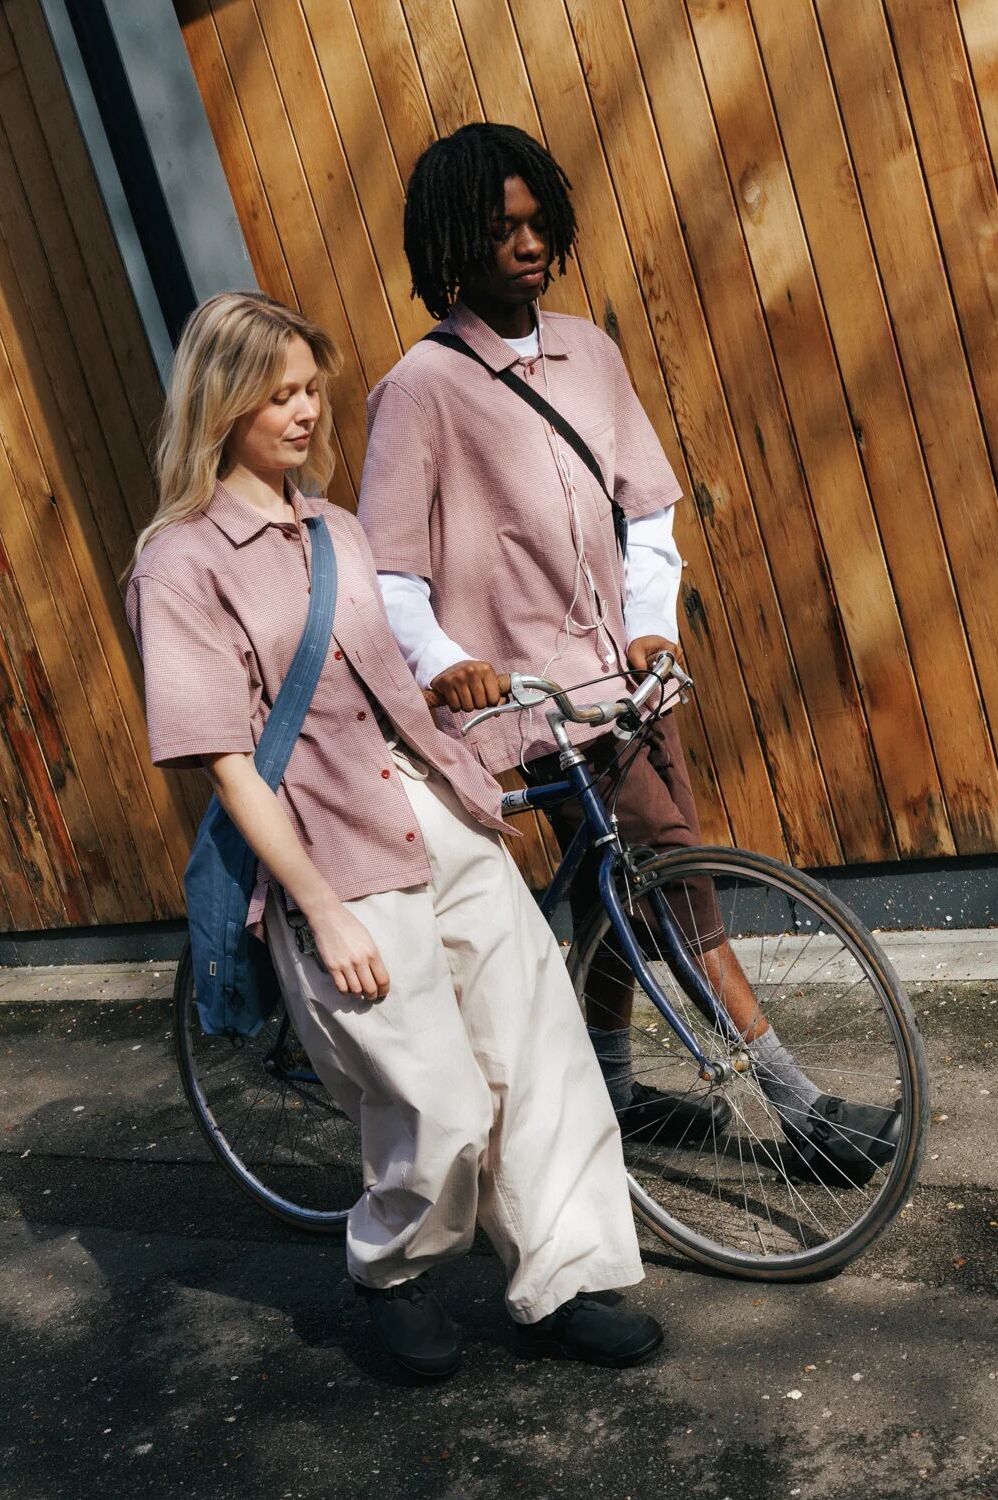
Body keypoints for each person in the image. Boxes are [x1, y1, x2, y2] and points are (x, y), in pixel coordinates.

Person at [125, 291, 663, 1381]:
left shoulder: (338, 531)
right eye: (277, 395)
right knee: (439, 1102)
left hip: (441, 814)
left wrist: (483, 761)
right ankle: (393, 1268)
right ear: (221, 406)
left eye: (310, 390)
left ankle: (562, 1281)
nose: (305, 412)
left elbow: (398, 687)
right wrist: (320, 910)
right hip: (330, 849)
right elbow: (228, 764)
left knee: (540, 1056)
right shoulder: (178, 566)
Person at [359, 124, 900, 1178]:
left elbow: (647, 512)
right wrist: (442, 663)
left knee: (618, 892)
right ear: (453, 244)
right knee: (669, 882)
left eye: (536, 223)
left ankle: (608, 1088)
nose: (527, 245)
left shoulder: (590, 354)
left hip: (627, 683)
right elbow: (389, 577)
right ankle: (801, 1115)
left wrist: (655, 620)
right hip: (526, 704)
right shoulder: (419, 391)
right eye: (500, 229)